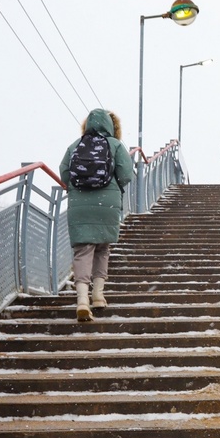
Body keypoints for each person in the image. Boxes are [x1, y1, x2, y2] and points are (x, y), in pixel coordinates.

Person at [60, 108, 134, 321]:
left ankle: (82, 299)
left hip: (80, 204)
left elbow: (64, 172)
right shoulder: (115, 145)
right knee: (103, 248)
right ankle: (98, 295)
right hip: (107, 203)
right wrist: (113, 186)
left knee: (83, 251)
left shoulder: (76, 145)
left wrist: (75, 188)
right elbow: (126, 174)